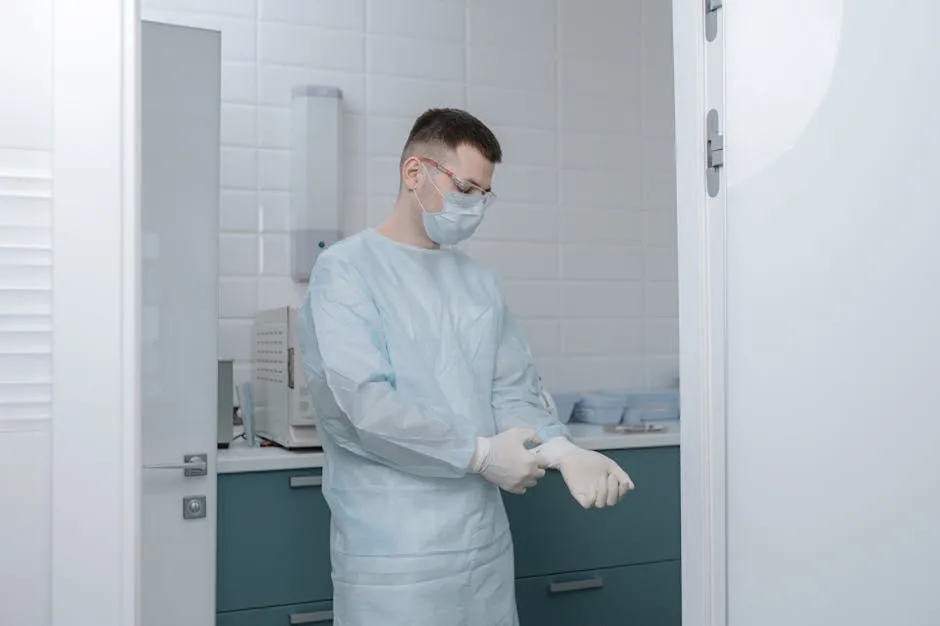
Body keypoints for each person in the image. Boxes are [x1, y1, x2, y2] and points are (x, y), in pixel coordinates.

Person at [297, 108, 635, 626]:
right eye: (466, 189)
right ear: (416, 173)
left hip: (481, 547)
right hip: (394, 551)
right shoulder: (346, 270)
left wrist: (561, 448)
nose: (475, 206)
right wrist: (477, 454)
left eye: (484, 195)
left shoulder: (481, 284)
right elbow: (361, 406)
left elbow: (511, 390)